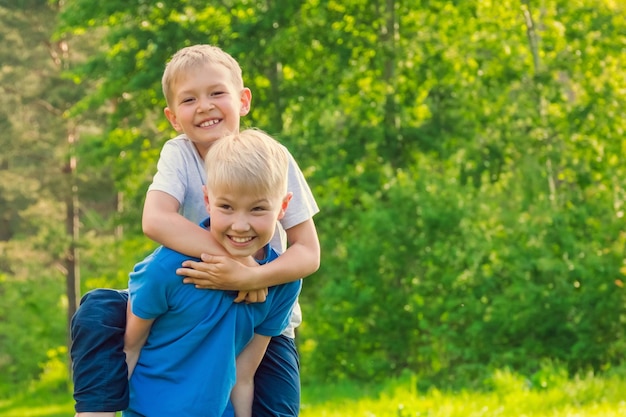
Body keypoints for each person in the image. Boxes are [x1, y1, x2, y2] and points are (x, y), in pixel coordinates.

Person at [71, 44, 320, 416]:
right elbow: (155, 219)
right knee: (99, 311)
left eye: (217, 93)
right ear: (173, 117)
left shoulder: (274, 158)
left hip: (258, 316)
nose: (204, 106)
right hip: (188, 300)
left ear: (243, 100)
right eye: (190, 99)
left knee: (274, 405)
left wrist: (256, 277)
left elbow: (308, 252)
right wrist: (239, 270)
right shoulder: (180, 153)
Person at [123, 128, 301, 417]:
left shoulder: (282, 284)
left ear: (282, 207)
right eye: (226, 207)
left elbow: (243, 377)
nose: (240, 225)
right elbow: (130, 350)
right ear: (208, 201)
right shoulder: (169, 268)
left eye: (257, 209)